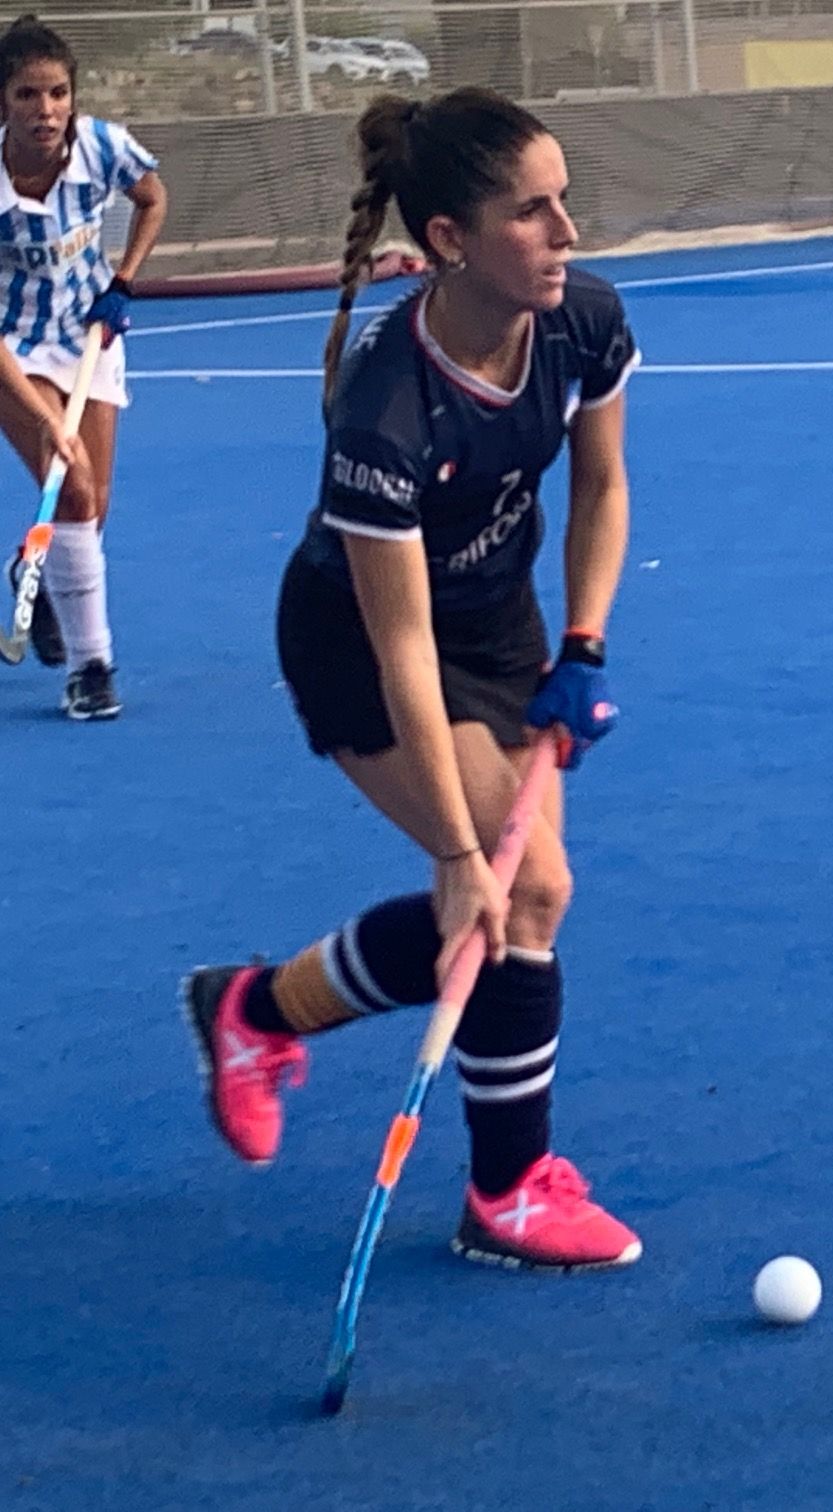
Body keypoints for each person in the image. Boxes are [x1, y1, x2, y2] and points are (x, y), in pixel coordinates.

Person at [181, 87, 646, 1271]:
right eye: (531, 213)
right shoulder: (386, 409)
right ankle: (507, 1194)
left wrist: (582, 644)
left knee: (509, 906)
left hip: (497, 625)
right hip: (360, 641)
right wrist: (452, 850)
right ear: (448, 240)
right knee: (517, 892)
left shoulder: (582, 321)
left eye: (565, 201)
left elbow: (601, 488)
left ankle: (255, 1011)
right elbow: (397, 651)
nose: (567, 233)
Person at [0, 14, 165, 719]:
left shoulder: (102, 147)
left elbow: (152, 198)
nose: (47, 111)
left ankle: (27, 567)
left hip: (90, 336)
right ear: (2, 102)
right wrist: (45, 421)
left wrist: (122, 280)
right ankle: (93, 669)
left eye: (59, 94)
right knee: (73, 487)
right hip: (16, 348)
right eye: (29, 96)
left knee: (89, 514)